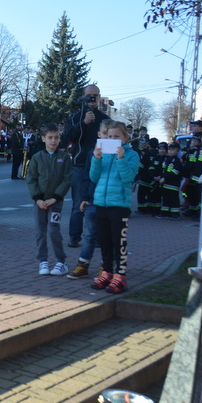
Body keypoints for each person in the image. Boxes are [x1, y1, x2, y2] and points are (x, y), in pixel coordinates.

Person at [89, 121, 139, 294]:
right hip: (101, 203)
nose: (112, 139)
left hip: (119, 205)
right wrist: (96, 158)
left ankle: (121, 275)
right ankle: (107, 272)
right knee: (104, 241)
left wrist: (121, 158)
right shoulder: (103, 154)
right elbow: (93, 177)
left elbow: (128, 178)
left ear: (125, 137)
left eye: (116, 136)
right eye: (109, 136)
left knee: (119, 241)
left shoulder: (132, 155)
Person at [63, 84, 109, 248]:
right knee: (78, 203)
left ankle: (95, 237)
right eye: (89, 95)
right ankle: (74, 236)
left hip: (100, 165)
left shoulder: (105, 119)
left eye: (95, 95)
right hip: (80, 165)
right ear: (83, 97)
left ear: (99, 97)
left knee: (98, 202)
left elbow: (112, 140)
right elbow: (69, 137)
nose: (92, 98)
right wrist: (84, 122)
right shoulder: (75, 116)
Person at [68, 118, 113, 279]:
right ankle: (83, 265)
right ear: (99, 134)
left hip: (111, 201)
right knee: (89, 234)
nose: (107, 137)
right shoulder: (91, 153)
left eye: (111, 135)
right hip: (93, 200)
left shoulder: (120, 154)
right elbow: (88, 177)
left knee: (107, 236)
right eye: (105, 133)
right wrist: (85, 197)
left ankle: (106, 266)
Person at [26, 123, 72, 276]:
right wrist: (37, 199)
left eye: (56, 138)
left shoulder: (64, 157)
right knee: (40, 231)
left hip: (55, 202)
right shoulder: (37, 157)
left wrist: (56, 197)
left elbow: (67, 179)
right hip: (39, 202)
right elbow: (31, 179)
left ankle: (61, 261)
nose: (53, 141)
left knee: (53, 230)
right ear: (43, 138)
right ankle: (43, 261)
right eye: (50, 137)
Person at [156, 141, 183, 220]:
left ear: (177, 151)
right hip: (165, 184)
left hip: (173, 185)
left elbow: (175, 172)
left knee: (173, 200)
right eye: (170, 149)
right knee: (165, 199)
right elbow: (163, 170)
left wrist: (165, 178)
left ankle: (175, 214)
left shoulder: (177, 161)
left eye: (173, 149)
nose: (171, 151)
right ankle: (165, 213)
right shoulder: (167, 159)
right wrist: (160, 177)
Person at [182, 136, 202, 219]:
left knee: (197, 194)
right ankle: (192, 209)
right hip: (189, 175)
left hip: (197, 176)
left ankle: (199, 212)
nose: (193, 143)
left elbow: (198, 163)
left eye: (195, 141)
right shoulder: (190, 150)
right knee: (190, 193)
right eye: (192, 141)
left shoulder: (200, 150)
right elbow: (186, 160)